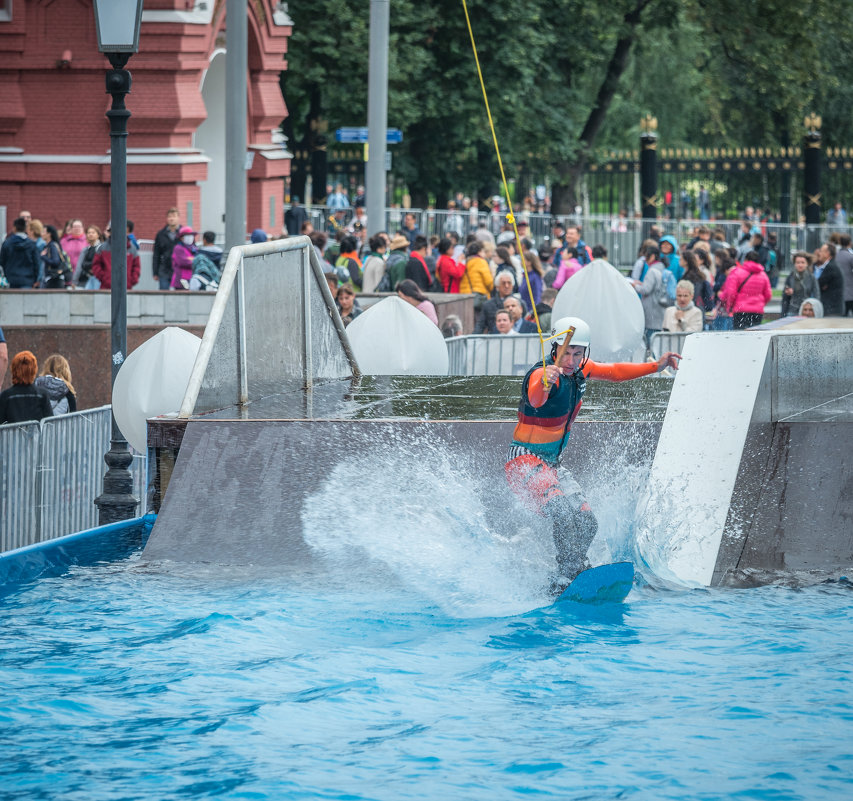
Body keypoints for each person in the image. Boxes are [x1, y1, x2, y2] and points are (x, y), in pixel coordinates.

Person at [505, 317, 680, 592]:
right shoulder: (542, 374)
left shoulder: (580, 370)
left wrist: (656, 366)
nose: (571, 360)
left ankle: (572, 570)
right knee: (562, 513)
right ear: (553, 348)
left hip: (552, 464)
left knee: (587, 522)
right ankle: (566, 576)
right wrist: (546, 383)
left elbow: (615, 371)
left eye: (578, 354)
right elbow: (537, 396)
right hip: (524, 459)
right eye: (566, 353)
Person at [719, 250, 772, 329]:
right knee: (755, 336)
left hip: (740, 310)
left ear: (745, 260)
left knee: (740, 336)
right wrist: (759, 304)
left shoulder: (736, 273)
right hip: (757, 311)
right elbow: (768, 295)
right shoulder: (763, 275)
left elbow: (730, 293)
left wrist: (730, 306)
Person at [0, 351, 53, 424]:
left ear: (14, 369)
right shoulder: (42, 395)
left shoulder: (6, 396)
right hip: (37, 435)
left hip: (12, 435)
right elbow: (49, 424)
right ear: (34, 370)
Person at [0, 217, 41, 288]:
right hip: (28, 279)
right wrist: (35, 279)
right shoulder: (32, 245)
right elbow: (36, 263)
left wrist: (7, 274)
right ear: (25, 228)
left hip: (11, 279)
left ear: (14, 228)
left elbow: (2, 261)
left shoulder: (7, 243)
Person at [781, 252, 819, 317]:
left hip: (807, 312)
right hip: (792, 311)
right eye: (798, 262)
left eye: (802, 262)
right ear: (794, 264)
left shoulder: (811, 277)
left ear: (807, 264)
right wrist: (787, 292)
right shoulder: (790, 277)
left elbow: (817, 295)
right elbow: (785, 298)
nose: (800, 265)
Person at [458, 240, 494, 309]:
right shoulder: (481, 262)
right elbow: (489, 282)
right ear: (479, 251)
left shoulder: (466, 261)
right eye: (483, 251)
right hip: (479, 295)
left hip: (465, 295)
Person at [152, 207, 180, 290]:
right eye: (169, 216)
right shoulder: (161, 234)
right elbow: (156, 254)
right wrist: (155, 272)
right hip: (164, 269)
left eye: (174, 216)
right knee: (163, 292)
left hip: (179, 269)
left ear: (178, 218)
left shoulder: (184, 233)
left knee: (181, 294)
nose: (172, 219)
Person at [815, 242, 844, 316]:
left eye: (821, 251)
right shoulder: (832, 265)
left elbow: (818, 284)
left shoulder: (831, 266)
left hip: (831, 309)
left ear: (827, 253)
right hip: (833, 308)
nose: (819, 253)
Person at [41, 225, 72, 289]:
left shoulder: (52, 246)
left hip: (54, 279)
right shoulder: (48, 245)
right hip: (52, 278)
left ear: (49, 234)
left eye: (44, 232)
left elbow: (55, 261)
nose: (42, 234)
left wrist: (43, 257)